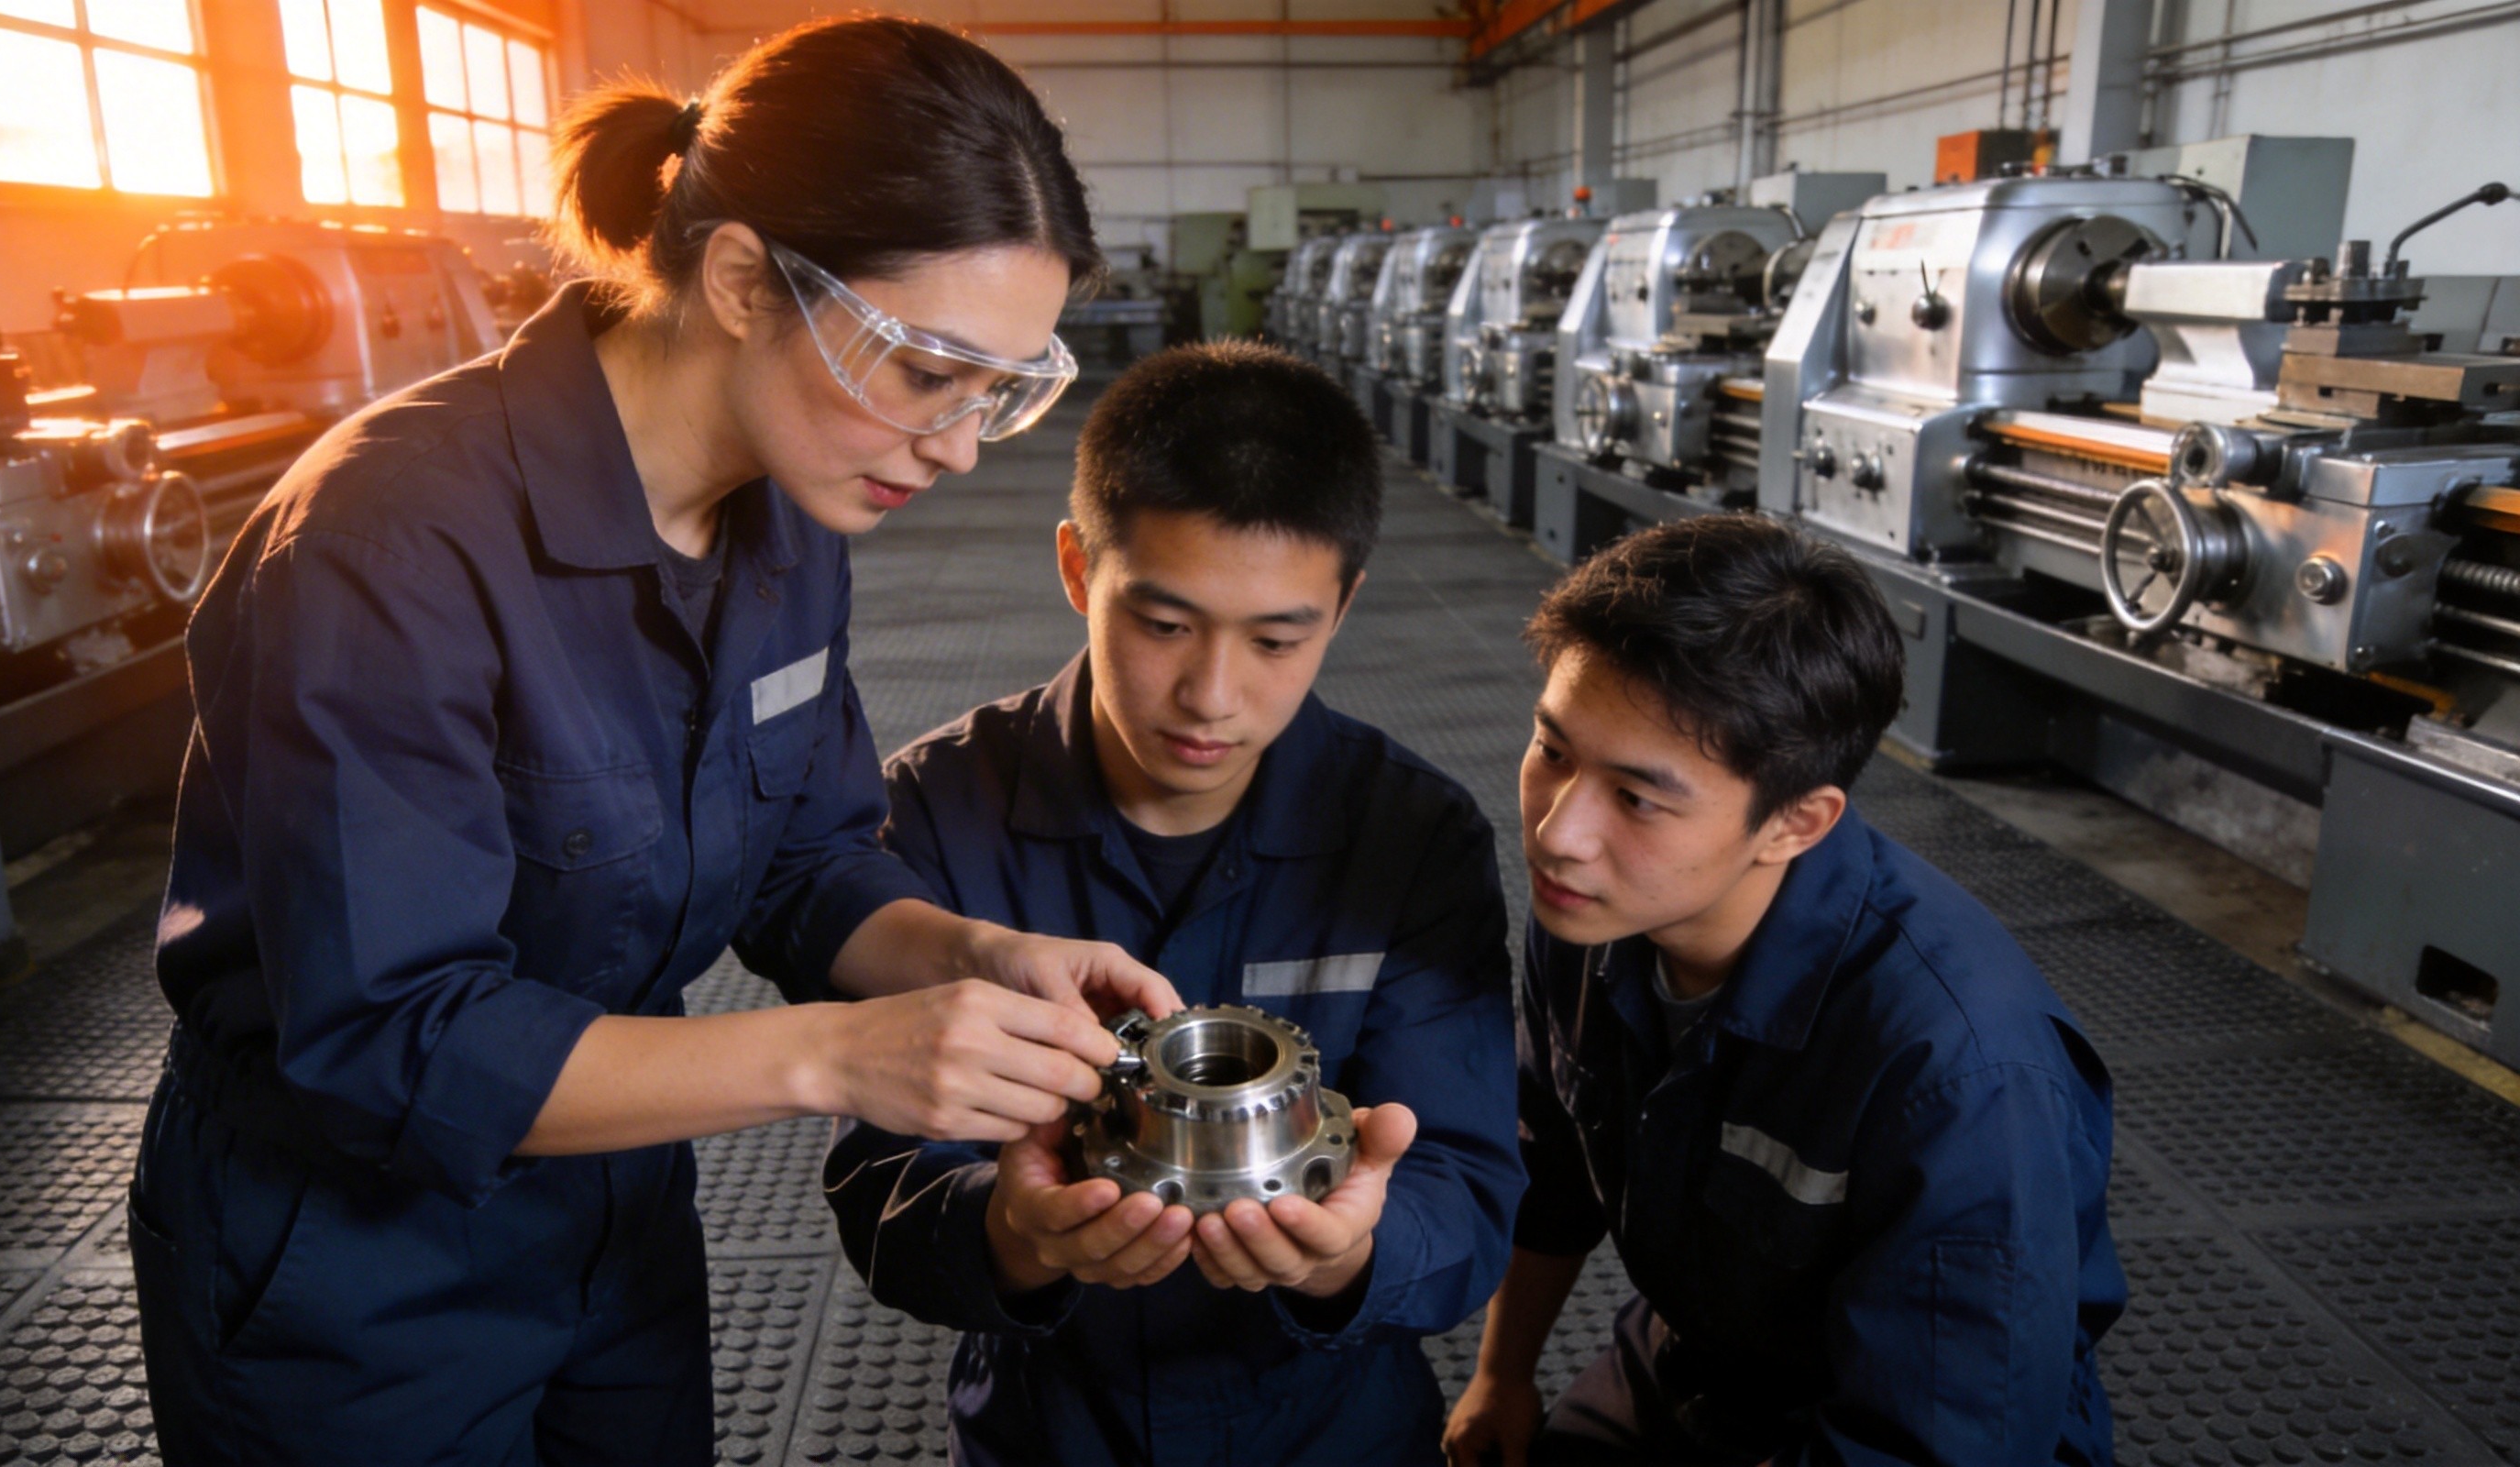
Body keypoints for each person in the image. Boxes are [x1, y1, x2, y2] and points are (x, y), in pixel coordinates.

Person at [129, 19, 1182, 1465]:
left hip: (612, 1212)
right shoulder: (391, 542)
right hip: (347, 1260)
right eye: (926, 371)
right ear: (743, 280)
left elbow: (801, 863)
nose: (955, 444)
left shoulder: (788, 516)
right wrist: (838, 1056)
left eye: (1001, 390)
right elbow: (395, 1038)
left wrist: (970, 956)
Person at [825, 342, 1524, 1466]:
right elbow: (882, 1185)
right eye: (1162, 625)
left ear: (1342, 606)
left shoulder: (1412, 840)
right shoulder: (933, 817)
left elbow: (1466, 1184)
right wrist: (1016, 1231)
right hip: (1050, 1429)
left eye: (1277, 639)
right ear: (1076, 568)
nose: (1211, 695)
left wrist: (1347, 1255)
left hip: (1330, 1432)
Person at [1442, 516, 2125, 1467]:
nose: (1558, 833)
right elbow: (1552, 1162)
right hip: (1702, 1353)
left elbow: (1943, 1437)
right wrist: (1501, 1375)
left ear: (1796, 824)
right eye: (1553, 751)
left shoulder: (1960, 1076)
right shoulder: (1594, 917)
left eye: (1636, 798)